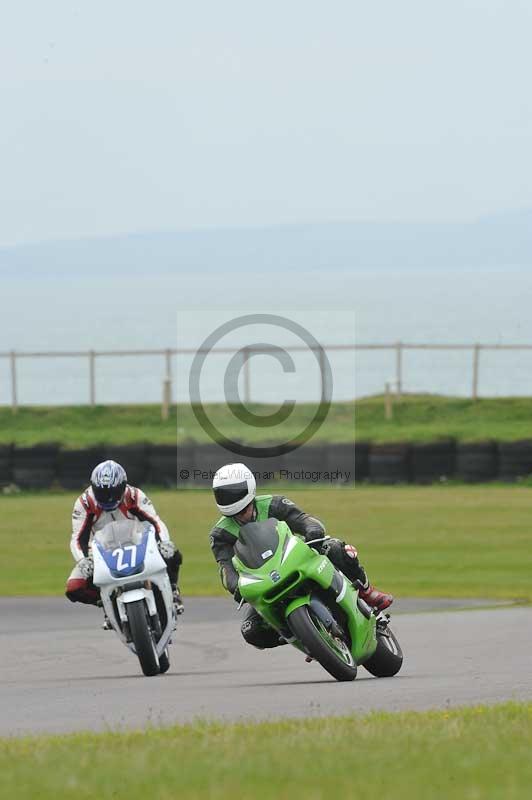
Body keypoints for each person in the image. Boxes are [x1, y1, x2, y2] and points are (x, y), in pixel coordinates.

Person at [209, 462, 393, 649]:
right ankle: (306, 639)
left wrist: (312, 529)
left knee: (338, 550)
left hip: (297, 559)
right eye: (236, 514)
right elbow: (225, 567)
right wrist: (234, 585)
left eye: (244, 510)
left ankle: (367, 592)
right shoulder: (220, 534)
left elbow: (303, 519)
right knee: (251, 630)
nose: (241, 516)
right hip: (264, 580)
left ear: (250, 493)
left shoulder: (274, 504)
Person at [65, 460, 183, 614]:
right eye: (101, 492)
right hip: (100, 551)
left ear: (123, 486)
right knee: (74, 587)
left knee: (171, 554)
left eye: (113, 492)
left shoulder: (134, 495)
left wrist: (165, 542)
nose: (107, 498)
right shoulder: (85, 503)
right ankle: (108, 603)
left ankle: (173, 590)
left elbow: (155, 521)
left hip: (137, 542)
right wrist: (83, 561)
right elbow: (78, 537)